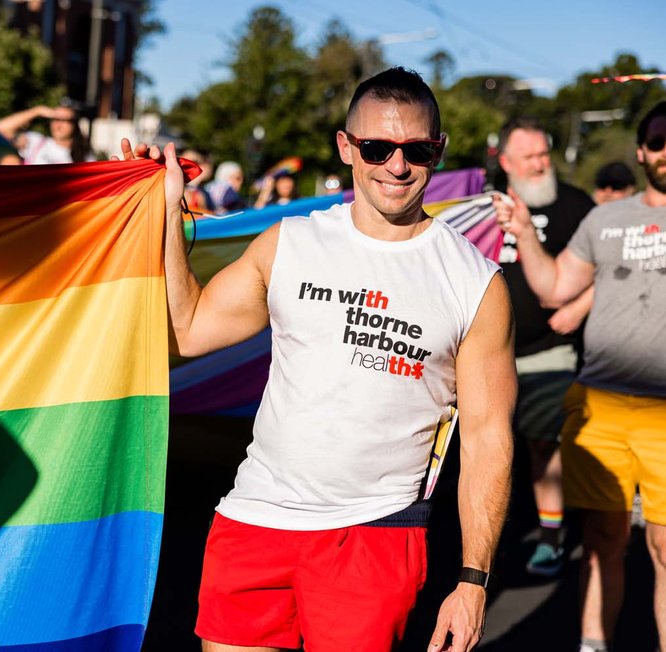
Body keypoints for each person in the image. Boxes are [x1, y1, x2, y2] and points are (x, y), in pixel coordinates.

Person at [121, 66, 515, 651]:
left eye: (417, 150)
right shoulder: (290, 243)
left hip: (373, 535)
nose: (397, 166)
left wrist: (473, 581)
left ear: (439, 150)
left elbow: (487, 438)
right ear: (346, 147)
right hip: (254, 520)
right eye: (377, 148)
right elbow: (189, 330)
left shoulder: (475, 283)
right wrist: (167, 212)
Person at [494, 101, 666, 652]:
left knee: (664, 548)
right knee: (602, 539)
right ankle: (593, 643)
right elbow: (552, 287)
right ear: (642, 152)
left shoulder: (576, 205)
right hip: (602, 406)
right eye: (658, 140)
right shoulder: (605, 220)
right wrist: (524, 232)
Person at [495, 116, 595, 577]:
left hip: (550, 351)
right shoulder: (484, 206)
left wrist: (578, 307)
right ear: (505, 161)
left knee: (542, 442)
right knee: (491, 447)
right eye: (529, 156)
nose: (540, 164)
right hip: (489, 354)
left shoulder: (575, 204)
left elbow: (609, 265)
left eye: (543, 154)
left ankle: (551, 536)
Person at [0, 103, 86, 164]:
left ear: (75, 125)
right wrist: (37, 111)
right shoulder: (37, 142)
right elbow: (4, 127)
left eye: (64, 120)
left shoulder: (84, 156)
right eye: (55, 119)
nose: (58, 125)